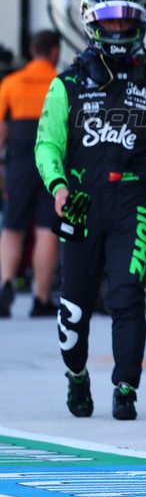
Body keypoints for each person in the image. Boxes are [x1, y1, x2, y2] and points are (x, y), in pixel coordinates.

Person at [34, 0, 146, 420]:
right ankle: (77, 376)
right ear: (92, 24)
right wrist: (58, 187)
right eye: (108, 20)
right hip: (77, 201)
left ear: (141, 24)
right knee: (73, 304)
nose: (117, 28)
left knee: (128, 296)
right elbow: (46, 145)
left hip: (131, 201)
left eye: (125, 20)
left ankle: (125, 389)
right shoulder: (65, 85)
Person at [0, 30, 61, 317]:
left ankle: (6, 284)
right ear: (55, 52)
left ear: (31, 49)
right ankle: (41, 298)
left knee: (12, 227)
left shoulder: (11, 83)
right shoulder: (61, 83)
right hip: (53, 164)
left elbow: (1, 130)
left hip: (20, 163)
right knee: (47, 230)